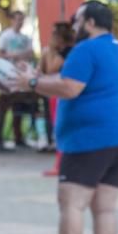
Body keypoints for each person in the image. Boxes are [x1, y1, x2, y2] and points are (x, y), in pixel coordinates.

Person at [11, 1, 118, 234]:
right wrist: (36, 78)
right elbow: (69, 80)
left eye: (77, 19)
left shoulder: (85, 49)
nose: (73, 24)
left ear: (91, 22)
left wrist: (31, 82)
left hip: (90, 140)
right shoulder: (115, 48)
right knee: (105, 208)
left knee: (72, 204)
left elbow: (70, 88)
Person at [39, 22, 76, 176]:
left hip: (58, 92)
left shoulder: (65, 52)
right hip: (59, 91)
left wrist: (50, 51)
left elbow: (49, 69)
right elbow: (42, 69)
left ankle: (60, 164)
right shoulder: (71, 50)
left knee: (60, 129)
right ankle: (62, 163)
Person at [0, 10, 38, 147]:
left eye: (22, 19)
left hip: (22, 76)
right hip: (8, 75)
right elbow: (0, 54)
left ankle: (18, 136)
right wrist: (16, 56)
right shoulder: (5, 36)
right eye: (17, 19)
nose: (19, 22)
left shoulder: (26, 38)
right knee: (4, 106)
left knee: (19, 108)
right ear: (12, 20)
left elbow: (31, 54)